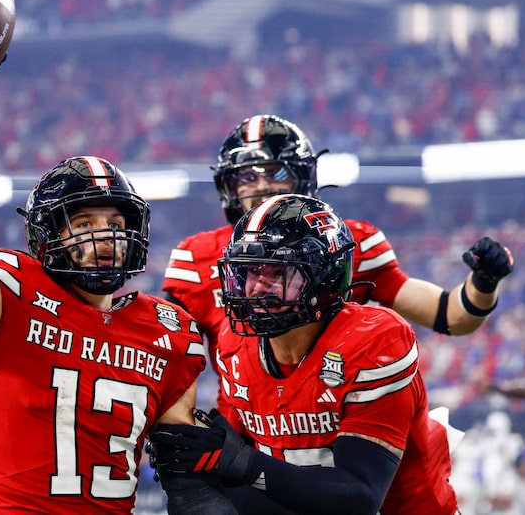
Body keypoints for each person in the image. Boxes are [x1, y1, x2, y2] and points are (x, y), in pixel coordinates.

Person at [0, 34, 220, 512]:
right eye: (85, 224)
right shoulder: (8, 293)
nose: (105, 237)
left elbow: (187, 478)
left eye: (116, 225)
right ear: (45, 237)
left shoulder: (169, 331)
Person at [149, 194, 459, 514]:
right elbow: (238, 453)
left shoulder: (374, 341)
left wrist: (242, 462)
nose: (254, 289)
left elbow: (361, 496)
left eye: (274, 273)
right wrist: (197, 449)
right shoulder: (234, 342)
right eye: (249, 273)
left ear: (323, 277)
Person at [162, 114, 514, 369]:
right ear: (228, 187)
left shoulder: (350, 242)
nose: (260, 186)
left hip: (344, 432)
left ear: (302, 178)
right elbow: (164, 356)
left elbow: (449, 316)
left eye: (275, 172)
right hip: (249, 438)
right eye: (245, 176)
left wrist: (483, 282)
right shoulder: (196, 256)